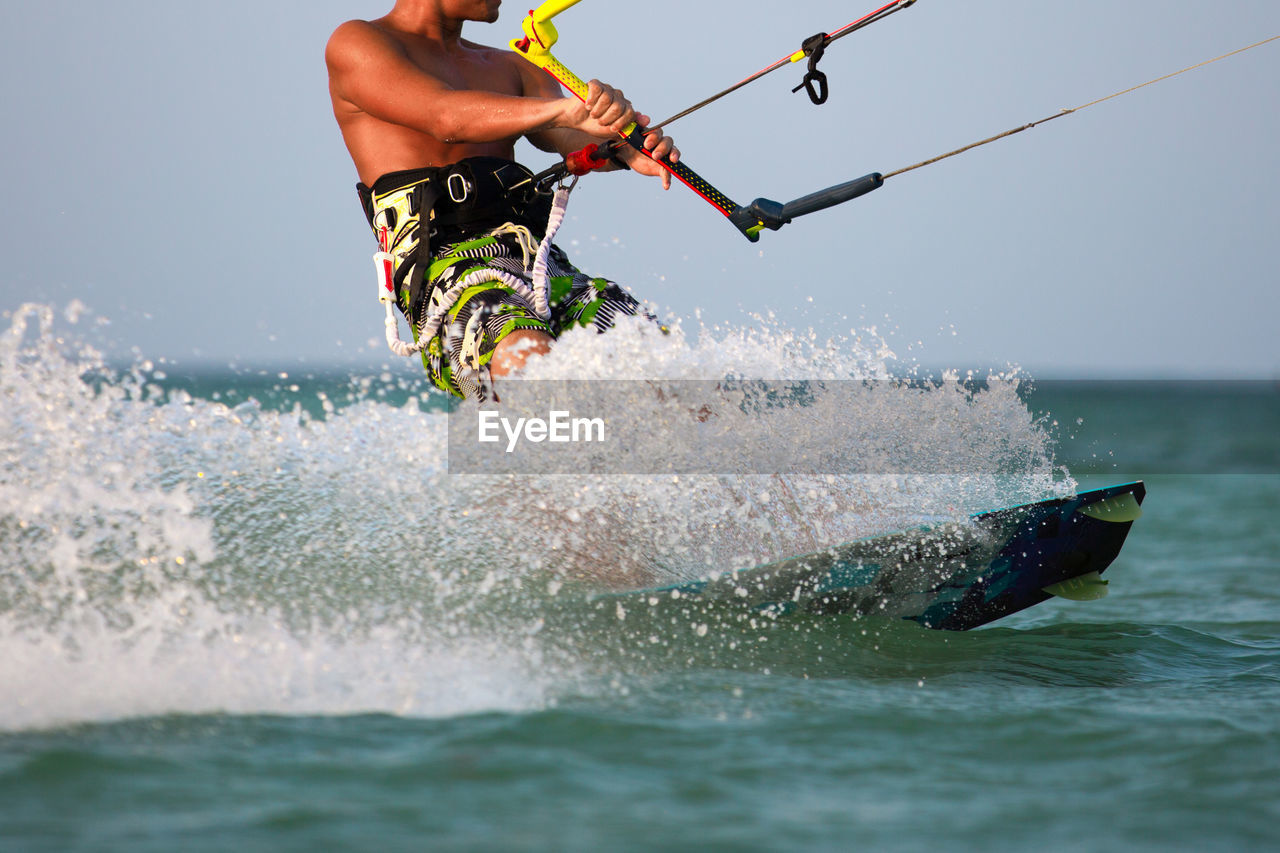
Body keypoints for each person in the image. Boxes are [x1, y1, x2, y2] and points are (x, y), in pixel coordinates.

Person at [326, 0, 679, 399]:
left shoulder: (513, 68)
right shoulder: (357, 43)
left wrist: (623, 147)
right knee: (528, 359)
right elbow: (445, 117)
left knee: (660, 365)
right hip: (448, 276)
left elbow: (569, 135)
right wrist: (566, 110)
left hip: (540, 265)